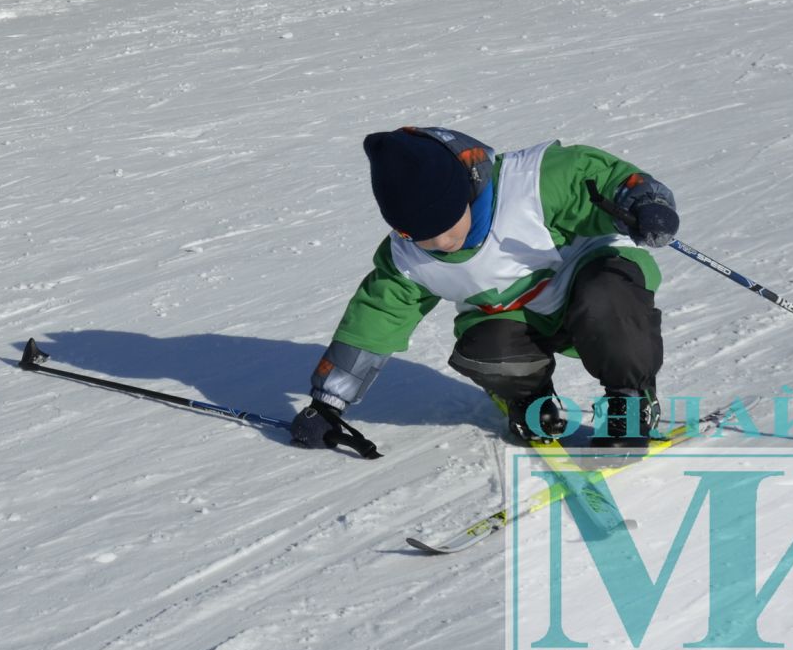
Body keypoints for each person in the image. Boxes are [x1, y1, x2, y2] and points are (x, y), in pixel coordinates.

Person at [289, 126, 680, 451]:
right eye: (418, 234)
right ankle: (531, 400)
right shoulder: (407, 259)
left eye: (445, 223)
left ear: (465, 194)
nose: (440, 242)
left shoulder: (530, 184)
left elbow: (601, 177)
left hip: (591, 279)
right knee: (485, 349)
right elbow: (375, 319)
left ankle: (629, 402)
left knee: (606, 302)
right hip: (518, 313)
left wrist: (645, 202)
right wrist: (328, 403)